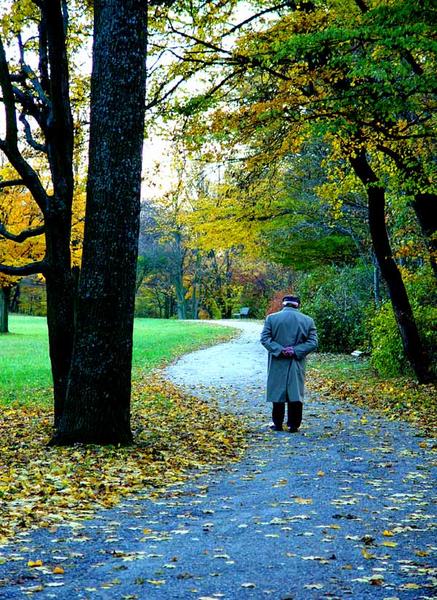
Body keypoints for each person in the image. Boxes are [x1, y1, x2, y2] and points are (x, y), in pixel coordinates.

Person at [260, 295, 318, 432]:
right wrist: (295, 350)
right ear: (298, 305)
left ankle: (278, 424)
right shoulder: (308, 321)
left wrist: (279, 350)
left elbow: (265, 339)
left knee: (278, 391)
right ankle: (293, 425)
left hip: (277, 360)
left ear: (284, 304)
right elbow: (313, 342)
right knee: (295, 392)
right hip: (296, 361)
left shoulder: (271, 318)